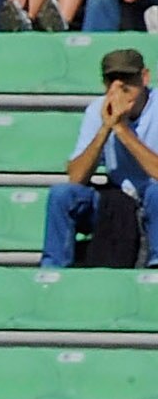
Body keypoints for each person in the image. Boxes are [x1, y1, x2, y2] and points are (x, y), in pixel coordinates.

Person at [42, 46, 158, 264]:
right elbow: (76, 177)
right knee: (62, 195)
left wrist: (122, 129)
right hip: (120, 202)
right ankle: (53, 271)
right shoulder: (97, 110)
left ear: (144, 78)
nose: (121, 88)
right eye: (112, 80)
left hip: (153, 198)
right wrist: (105, 128)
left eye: (128, 80)